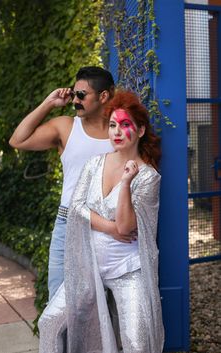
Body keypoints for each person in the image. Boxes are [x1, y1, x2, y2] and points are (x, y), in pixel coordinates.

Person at [38, 90, 165, 353]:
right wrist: (107, 226)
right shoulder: (94, 164)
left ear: (140, 131)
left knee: (137, 343)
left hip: (128, 270)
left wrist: (127, 182)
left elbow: (126, 227)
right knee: (49, 321)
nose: (117, 132)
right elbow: (76, 207)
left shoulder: (148, 177)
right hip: (89, 266)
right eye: (112, 125)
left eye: (125, 124)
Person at [9, 66, 121, 301]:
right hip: (69, 222)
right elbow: (18, 140)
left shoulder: (120, 130)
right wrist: (48, 103)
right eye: (74, 93)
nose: (75, 100)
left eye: (81, 95)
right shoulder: (66, 127)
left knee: (105, 305)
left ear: (103, 96)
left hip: (109, 226)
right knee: (59, 301)